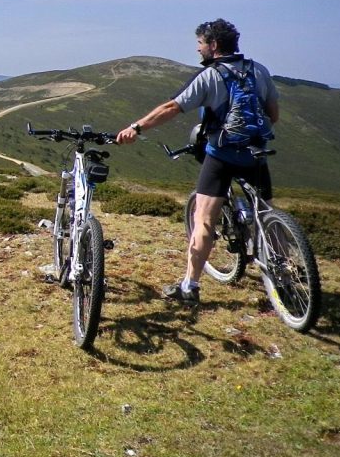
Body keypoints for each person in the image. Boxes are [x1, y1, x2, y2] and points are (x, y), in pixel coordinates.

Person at [115, 19, 279, 304]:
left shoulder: (210, 76)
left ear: (213, 45)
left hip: (222, 156)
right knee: (267, 215)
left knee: (203, 218)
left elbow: (171, 108)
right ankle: (285, 271)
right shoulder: (259, 71)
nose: (198, 48)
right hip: (256, 153)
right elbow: (273, 115)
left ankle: (189, 286)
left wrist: (136, 127)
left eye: (201, 43)